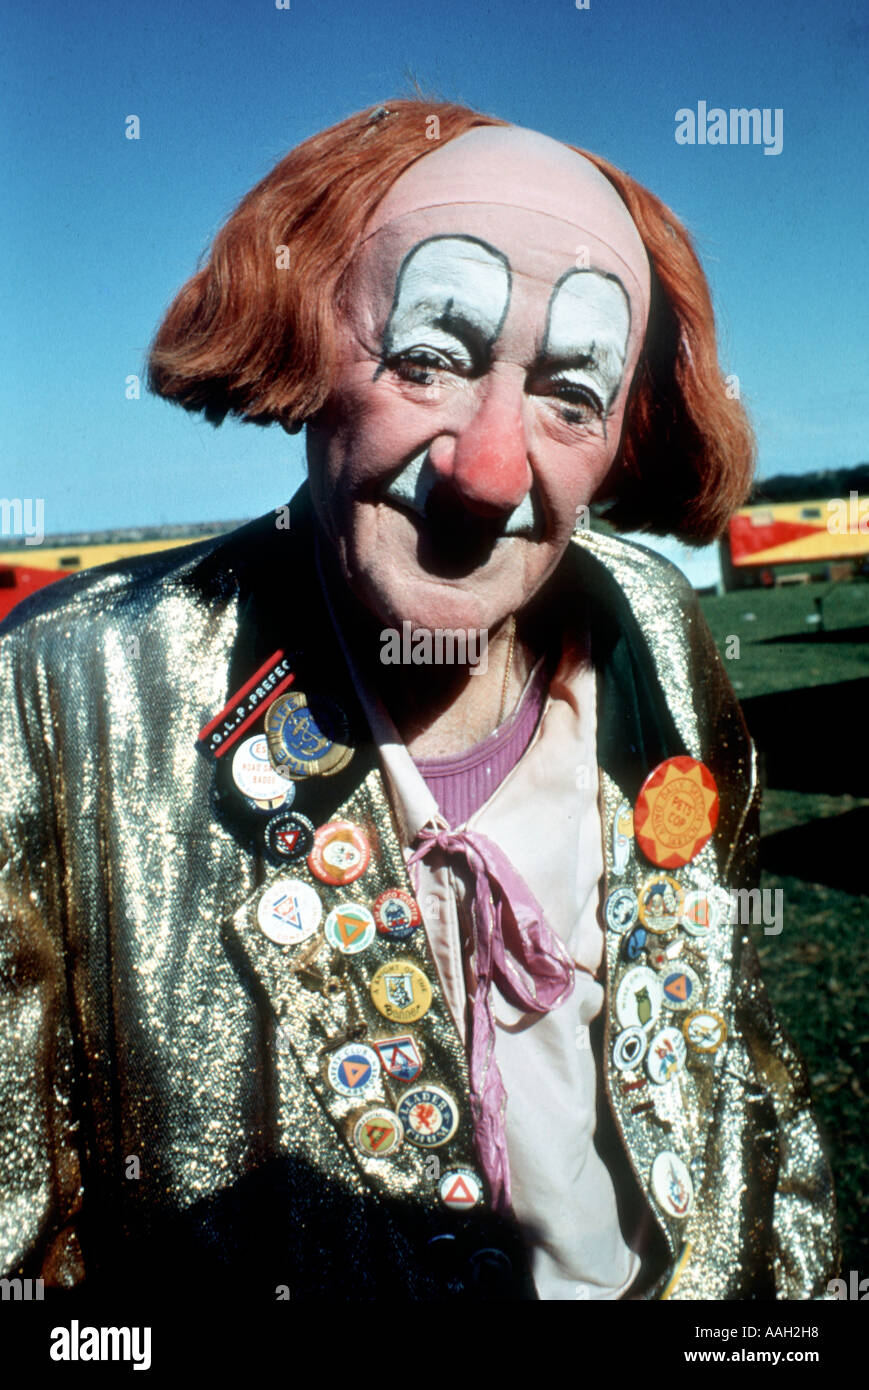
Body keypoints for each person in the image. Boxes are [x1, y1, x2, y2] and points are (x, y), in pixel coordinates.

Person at [0, 98, 838, 1301]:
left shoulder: (650, 631)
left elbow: (750, 1100)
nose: (487, 471)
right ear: (301, 338)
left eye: (568, 393)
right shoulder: (70, 692)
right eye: (429, 356)